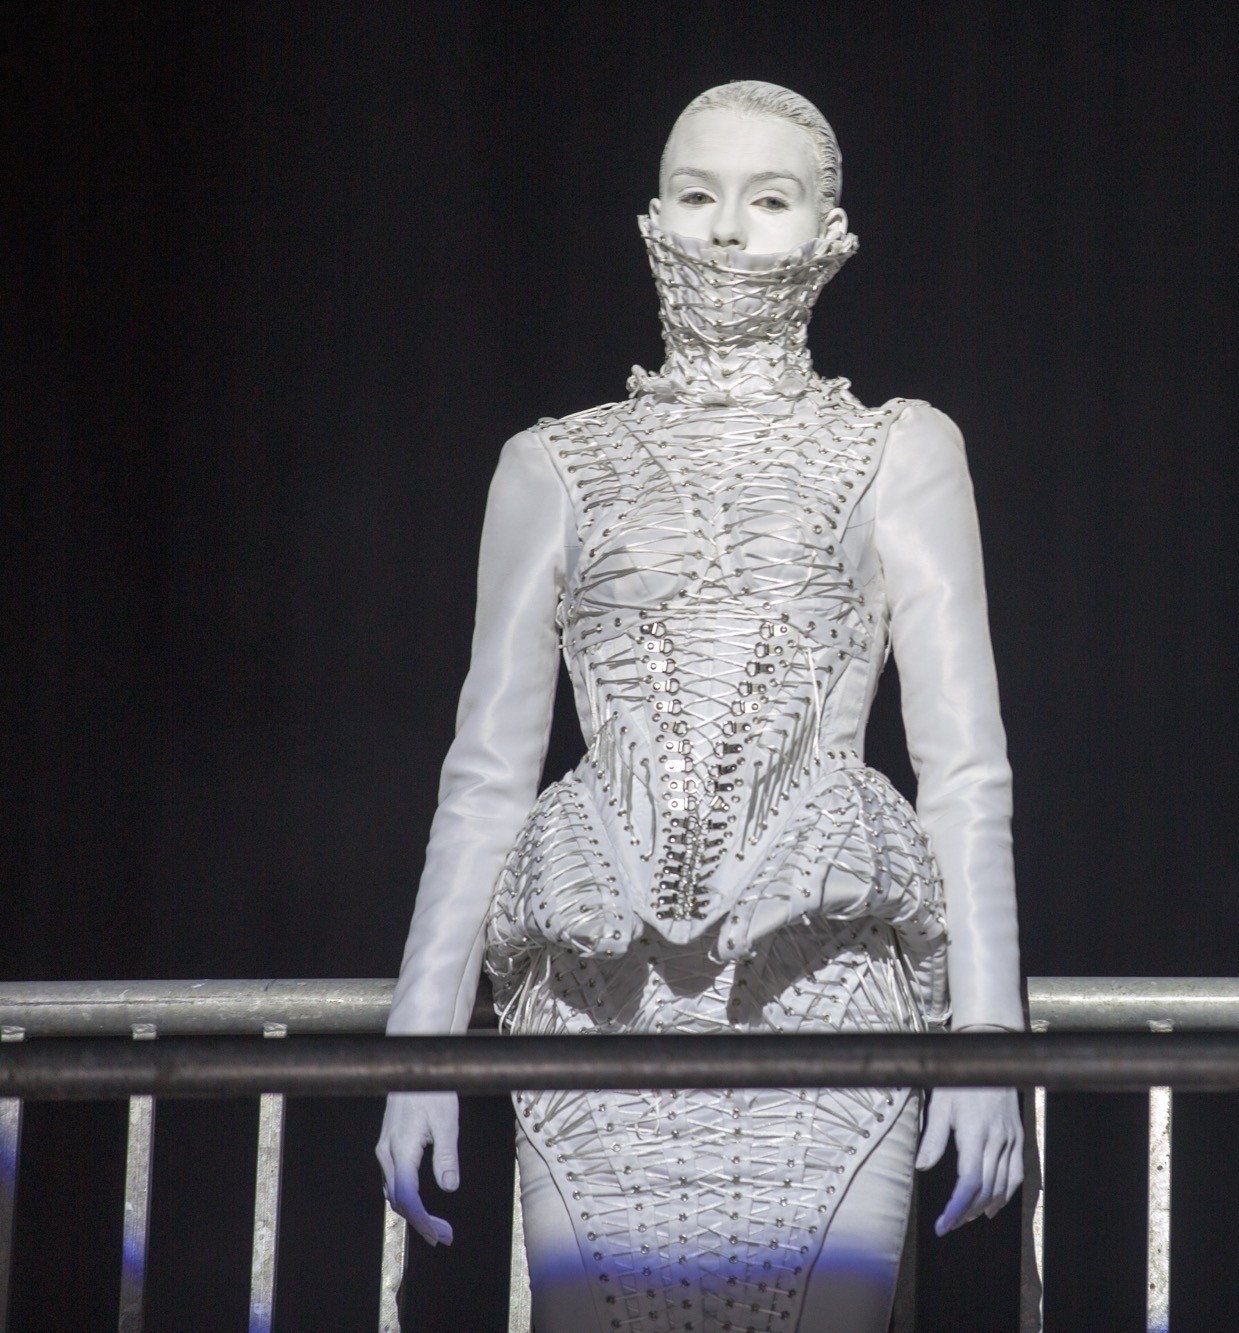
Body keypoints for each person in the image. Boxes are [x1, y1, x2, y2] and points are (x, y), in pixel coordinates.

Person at [373, 80, 1025, 1332]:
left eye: (768, 200)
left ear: (829, 233)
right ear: (651, 219)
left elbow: (965, 771)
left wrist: (991, 1044)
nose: (726, 228)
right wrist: (418, 1053)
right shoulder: (549, 463)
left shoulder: (902, 450)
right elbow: (486, 775)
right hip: (591, 1005)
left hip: (828, 997)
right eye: (697, 194)